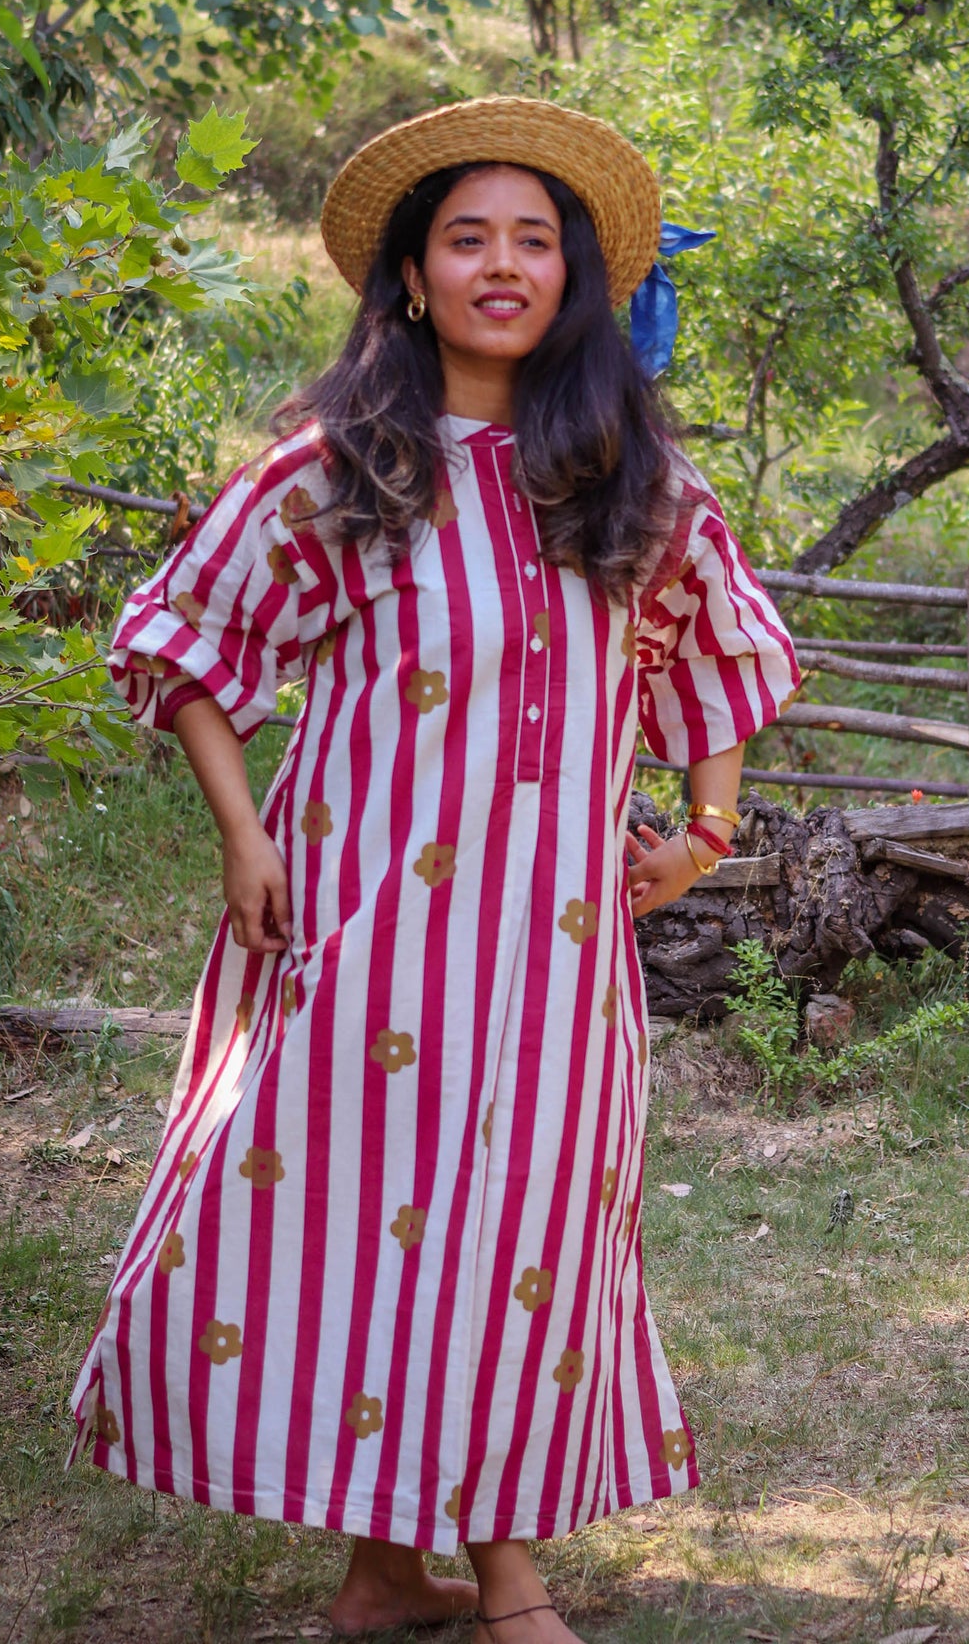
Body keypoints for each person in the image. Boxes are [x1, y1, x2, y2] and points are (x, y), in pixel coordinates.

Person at [70, 97, 800, 1640]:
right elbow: (180, 638)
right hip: (363, 941)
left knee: (527, 1231)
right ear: (411, 276)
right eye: (466, 239)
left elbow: (724, 649)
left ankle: (417, 1566)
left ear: (573, 279)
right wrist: (243, 830)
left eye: (533, 242)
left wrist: (707, 827)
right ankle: (445, 1574)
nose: (500, 266)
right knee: (354, 1234)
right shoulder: (348, 471)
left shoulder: (631, 480)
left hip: (554, 955)